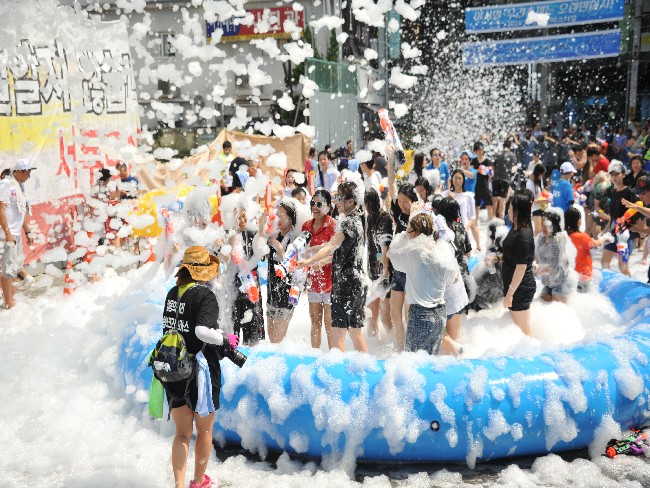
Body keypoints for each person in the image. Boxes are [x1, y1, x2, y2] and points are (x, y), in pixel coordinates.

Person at [161, 246, 231, 488]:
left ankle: (179, 485)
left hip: (173, 370)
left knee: (181, 434)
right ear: (204, 272)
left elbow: (170, 331)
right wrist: (225, 339)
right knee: (204, 431)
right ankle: (199, 482)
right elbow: (201, 331)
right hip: (200, 372)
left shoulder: (172, 293)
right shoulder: (204, 296)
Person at [297, 181, 368, 353]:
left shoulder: (345, 223)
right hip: (358, 281)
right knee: (355, 331)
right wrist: (316, 251)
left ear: (350, 201)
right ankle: (369, 369)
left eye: (339, 198)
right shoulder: (359, 220)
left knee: (337, 335)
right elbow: (335, 246)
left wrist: (308, 262)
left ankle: (336, 375)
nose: (337, 201)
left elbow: (331, 246)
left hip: (345, 284)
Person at [387, 213, 457, 354]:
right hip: (440, 314)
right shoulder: (442, 251)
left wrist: (402, 235)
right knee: (431, 361)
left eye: (409, 232)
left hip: (421, 315)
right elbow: (453, 278)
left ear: (417, 232)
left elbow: (392, 255)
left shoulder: (414, 252)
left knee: (414, 363)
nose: (407, 235)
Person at [387, 153, 418, 351]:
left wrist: (414, 209)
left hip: (414, 272)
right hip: (398, 270)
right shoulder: (399, 213)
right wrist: (390, 163)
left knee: (409, 313)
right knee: (394, 313)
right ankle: (400, 349)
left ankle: (411, 349)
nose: (401, 204)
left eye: (405, 201)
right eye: (399, 201)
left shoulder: (419, 216)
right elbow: (391, 186)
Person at [227, 206, 266, 346]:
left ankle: (253, 348)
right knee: (234, 318)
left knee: (253, 317)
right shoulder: (228, 234)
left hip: (251, 281)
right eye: (238, 217)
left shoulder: (252, 233)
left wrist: (261, 227)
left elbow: (261, 250)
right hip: (234, 281)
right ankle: (233, 347)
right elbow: (224, 258)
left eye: (244, 217)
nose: (241, 220)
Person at [302, 190, 336, 349]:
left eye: (319, 204)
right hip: (313, 281)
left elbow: (338, 254)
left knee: (330, 326)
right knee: (315, 323)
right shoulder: (306, 226)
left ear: (328, 207)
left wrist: (322, 262)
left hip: (330, 282)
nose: (314, 207)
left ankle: (332, 358)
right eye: (312, 203)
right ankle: (314, 356)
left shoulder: (334, 225)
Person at [437, 197, 471, 355]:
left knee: (443, 330)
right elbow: (468, 252)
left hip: (446, 282)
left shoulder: (439, 232)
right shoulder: (460, 227)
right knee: (457, 329)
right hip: (461, 276)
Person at [0, 160, 35, 309]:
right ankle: (9, 303)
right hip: (6, 233)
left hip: (16, 233)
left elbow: (21, 211)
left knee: (14, 268)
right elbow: (1, 209)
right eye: (27, 172)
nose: (29, 175)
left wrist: (27, 230)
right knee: (7, 270)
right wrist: (7, 233)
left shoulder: (19, 185)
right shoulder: (6, 184)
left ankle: (11, 300)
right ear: (19, 171)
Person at [500, 194, 536, 336]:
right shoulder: (515, 227)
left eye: (510, 207)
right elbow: (514, 253)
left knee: (524, 332)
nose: (507, 210)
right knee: (518, 329)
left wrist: (510, 294)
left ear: (517, 211)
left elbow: (521, 267)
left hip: (521, 289)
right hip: (515, 287)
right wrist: (498, 258)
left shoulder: (524, 235)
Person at [264, 201, 300, 343]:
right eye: (277, 214)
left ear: (291, 218)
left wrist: (279, 248)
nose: (278, 218)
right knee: (271, 339)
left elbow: (291, 267)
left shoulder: (295, 238)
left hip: (287, 292)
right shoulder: (274, 236)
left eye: (282, 215)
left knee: (278, 340)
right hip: (272, 290)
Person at [364, 188, 393, 339]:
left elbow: (384, 247)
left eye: (368, 204)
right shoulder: (369, 218)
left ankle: (392, 341)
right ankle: (373, 341)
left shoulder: (384, 218)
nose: (367, 207)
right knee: (372, 311)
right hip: (373, 270)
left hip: (384, 272)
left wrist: (385, 269)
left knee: (385, 312)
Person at [601, 160, 637, 277]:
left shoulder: (629, 192)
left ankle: (632, 289)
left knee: (623, 267)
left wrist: (632, 231)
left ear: (623, 174)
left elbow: (636, 213)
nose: (614, 177)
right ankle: (611, 286)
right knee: (604, 262)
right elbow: (613, 216)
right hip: (613, 233)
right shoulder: (613, 192)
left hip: (626, 235)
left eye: (617, 174)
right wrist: (605, 231)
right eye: (612, 174)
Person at [565, 206, 612, 293]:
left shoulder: (564, 237)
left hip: (570, 276)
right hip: (583, 276)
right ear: (578, 221)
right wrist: (605, 238)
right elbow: (595, 244)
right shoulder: (581, 237)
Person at [535, 209, 576, 302]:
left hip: (562, 281)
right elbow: (536, 257)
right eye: (542, 224)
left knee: (558, 305)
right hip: (549, 282)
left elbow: (556, 266)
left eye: (546, 225)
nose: (543, 227)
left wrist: (537, 270)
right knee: (544, 301)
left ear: (554, 225)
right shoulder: (541, 238)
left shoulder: (558, 240)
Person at [444, 169, 479, 251]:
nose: (457, 180)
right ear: (452, 179)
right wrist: (448, 199)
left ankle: (478, 246)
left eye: (459, 178)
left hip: (464, 229)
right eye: (455, 178)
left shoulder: (468, 196)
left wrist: (465, 227)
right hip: (450, 230)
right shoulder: (446, 194)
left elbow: (472, 216)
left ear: (463, 180)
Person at [492, 140, 517, 219]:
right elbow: (513, 168)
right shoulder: (512, 155)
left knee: (495, 199)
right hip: (505, 179)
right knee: (502, 201)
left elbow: (492, 167)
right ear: (510, 147)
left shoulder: (497, 154)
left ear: (503, 146)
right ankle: (501, 219)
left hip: (496, 178)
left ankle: (492, 218)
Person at [471, 141, 494, 220]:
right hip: (475, 185)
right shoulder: (473, 161)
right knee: (476, 205)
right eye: (478, 150)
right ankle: (475, 223)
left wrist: (487, 171)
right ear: (475, 151)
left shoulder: (487, 161)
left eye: (481, 150)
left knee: (489, 204)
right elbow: (470, 172)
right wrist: (477, 170)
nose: (480, 152)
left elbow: (491, 174)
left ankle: (491, 222)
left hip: (484, 185)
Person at [526, 164, 549, 235]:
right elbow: (530, 200)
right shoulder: (529, 184)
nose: (542, 177)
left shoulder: (539, 181)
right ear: (537, 173)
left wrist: (546, 193)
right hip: (535, 209)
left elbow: (542, 191)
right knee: (538, 232)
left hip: (543, 207)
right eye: (541, 175)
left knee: (545, 230)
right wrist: (541, 201)